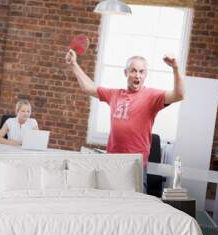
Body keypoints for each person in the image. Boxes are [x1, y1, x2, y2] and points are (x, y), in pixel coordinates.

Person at [65, 50, 185, 193]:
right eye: (133, 71)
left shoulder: (152, 96)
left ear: (145, 75)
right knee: (109, 204)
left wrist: (175, 68)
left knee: (133, 209)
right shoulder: (115, 94)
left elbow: (179, 95)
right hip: (112, 163)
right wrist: (73, 64)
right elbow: (89, 87)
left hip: (134, 166)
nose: (137, 75)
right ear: (126, 73)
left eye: (141, 72)